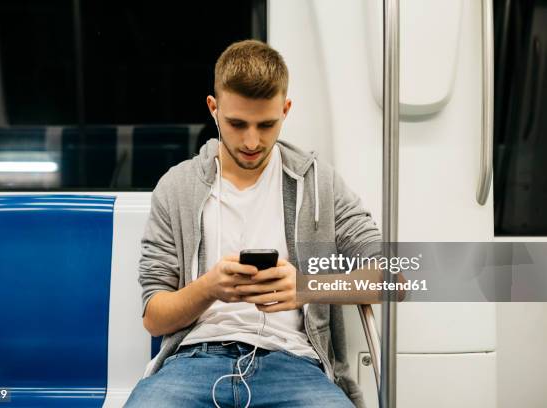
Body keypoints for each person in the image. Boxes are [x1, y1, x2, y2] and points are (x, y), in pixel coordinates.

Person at [124, 39, 383, 408]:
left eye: (266, 125)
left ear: (286, 109)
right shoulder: (178, 187)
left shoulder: (318, 184)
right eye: (236, 123)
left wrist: (304, 288)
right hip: (194, 361)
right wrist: (210, 288)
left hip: (293, 363)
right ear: (213, 109)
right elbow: (155, 317)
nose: (251, 141)